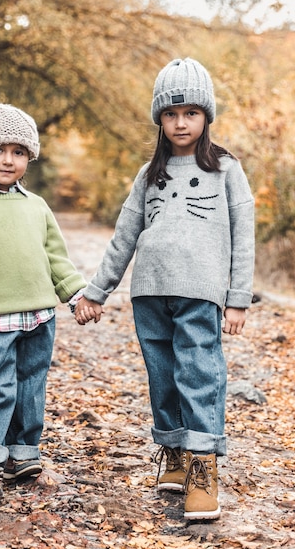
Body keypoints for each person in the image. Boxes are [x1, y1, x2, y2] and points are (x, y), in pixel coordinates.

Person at [74, 58, 255, 521]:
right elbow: (124, 235)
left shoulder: (225, 169)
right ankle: (174, 452)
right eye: (171, 114)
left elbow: (243, 235)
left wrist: (237, 298)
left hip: (201, 290)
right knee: (162, 375)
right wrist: (97, 290)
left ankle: (203, 468)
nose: (180, 123)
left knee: (200, 373)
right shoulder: (147, 174)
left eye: (191, 113)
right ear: (159, 118)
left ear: (206, 117)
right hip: (149, 291)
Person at [0, 103, 86, 504]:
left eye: (19, 152)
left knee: (31, 386)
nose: (9, 160)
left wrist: (76, 295)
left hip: (40, 316)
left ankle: (22, 453)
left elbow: (56, 258)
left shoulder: (36, 205)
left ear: (30, 158)